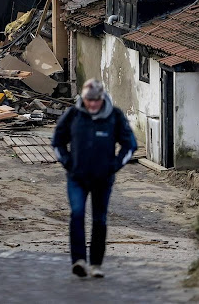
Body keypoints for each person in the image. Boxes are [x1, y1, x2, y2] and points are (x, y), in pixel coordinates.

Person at [51, 78, 137, 278]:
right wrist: (68, 162)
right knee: (77, 214)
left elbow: (130, 145)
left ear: (102, 98)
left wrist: (114, 166)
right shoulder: (73, 115)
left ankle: (96, 264)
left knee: (99, 219)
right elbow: (57, 141)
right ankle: (79, 261)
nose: (92, 104)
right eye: (89, 100)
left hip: (102, 179)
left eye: (96, 100)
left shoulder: (114, 116)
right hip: (77, 178)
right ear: (84, 98)